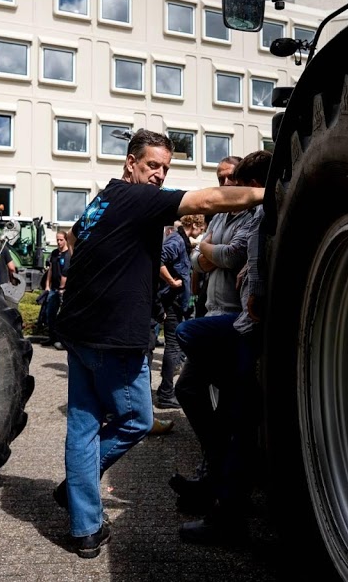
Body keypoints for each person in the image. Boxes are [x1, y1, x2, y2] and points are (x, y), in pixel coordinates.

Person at [50, 129, 264, 559]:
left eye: (165, 168)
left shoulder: (102, 200)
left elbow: (74, 238)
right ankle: (79, 490)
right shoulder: (137, 199)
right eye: (152, 166)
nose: (159, 175)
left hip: (80, 331)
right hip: (113, 337)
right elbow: (206, 202)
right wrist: (269, 191)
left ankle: (85, 528)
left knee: (84, 424)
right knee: (135, 420)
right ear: (130, 163)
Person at [171, 150, 272, 545]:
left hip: (236, 321)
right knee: (193, 392)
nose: (224, 186)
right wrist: (210, 256)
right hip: (220, 314)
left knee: (235, 416)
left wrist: (215, 257)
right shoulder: (223, 216)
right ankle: (216, 476)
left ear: (250, 185)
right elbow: (200, 259)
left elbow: (238, 259)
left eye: (232, 179)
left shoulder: (258, 214)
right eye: (220, 178)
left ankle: (224, 502)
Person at [153, 215, 202, 409]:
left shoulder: (181, 240)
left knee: (175, 347)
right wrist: (172, 282)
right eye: (202, 226)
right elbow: (159, 260)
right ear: (196, 225)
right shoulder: (176, 240)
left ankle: (165, 390)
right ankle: (166, 393)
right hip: (172, 301)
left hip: (176, 302)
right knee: (173, 347)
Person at [192, 156, 241, 318]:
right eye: (221, 179)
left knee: (184, 332)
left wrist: (206, 248)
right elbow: (194, 259)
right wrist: (215, 256)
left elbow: (231, 257)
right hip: (211, 310)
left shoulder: (252, 215)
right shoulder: (218, 217)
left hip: (238, 312)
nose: (226, 183)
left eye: (231, 177)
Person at [44, 230, 71, 350]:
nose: (59, 242)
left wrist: (62, 288)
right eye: (57, 240)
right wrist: (47, 285)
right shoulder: (54, 253)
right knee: (50, 314)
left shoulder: (68, 254)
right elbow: (50, 270)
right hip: (53, 289)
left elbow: (66, 273)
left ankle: (62, 341)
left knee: (62, 316)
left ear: (66, 240)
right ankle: (52, 338)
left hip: (63, 290)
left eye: (61, 240)